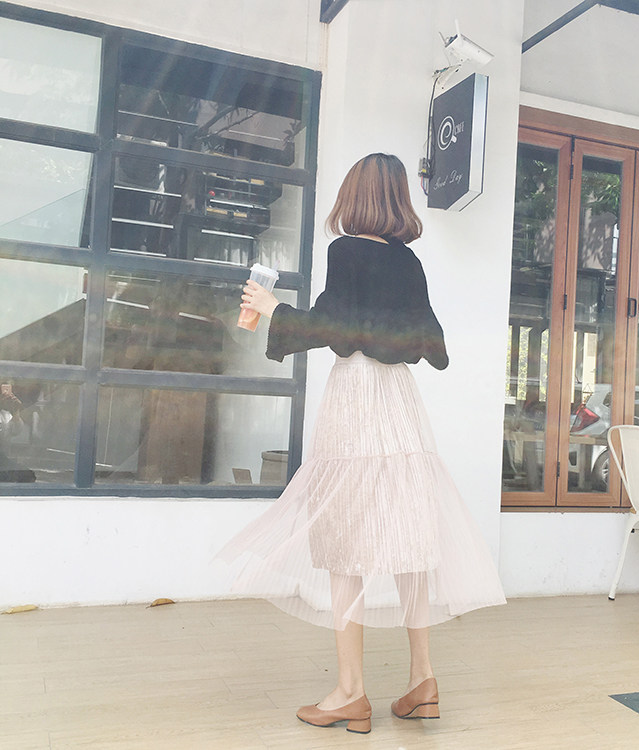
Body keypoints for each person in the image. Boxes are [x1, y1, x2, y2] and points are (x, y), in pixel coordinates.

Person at [220, 153, 505, 734]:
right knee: (409, 533)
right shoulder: (410, 263)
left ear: (355, 196)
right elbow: (434, 347)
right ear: (398, 198)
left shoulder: (346, 251)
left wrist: (273, 309)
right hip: (399, 404)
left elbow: (334, 328)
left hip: (355, 397)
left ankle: (351, 692)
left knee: (344, 533)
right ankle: (422, 680)